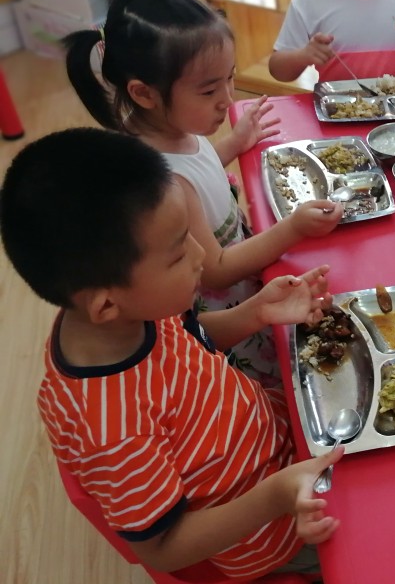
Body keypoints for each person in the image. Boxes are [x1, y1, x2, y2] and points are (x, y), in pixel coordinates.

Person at [0, 128, 342, 581]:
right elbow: (163, 549)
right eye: (179, 253)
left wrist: (256, 312)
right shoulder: (112, 430)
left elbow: (191, 342)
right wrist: (276, 496)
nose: (202, 255)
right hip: (276, 527)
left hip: (277, 440)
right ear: (105, 304)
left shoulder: (130, 313)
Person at [63, 0, 343, 387]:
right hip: (227, 306)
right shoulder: (162, 180)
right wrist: (294, 228)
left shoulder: (169, 128)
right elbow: (217, 270)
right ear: (144, 93)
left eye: (230, 78)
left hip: (241, 266)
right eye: (209, 90)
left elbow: (198, 165)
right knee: (267, 377)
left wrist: (233, 144)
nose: (227, 99)